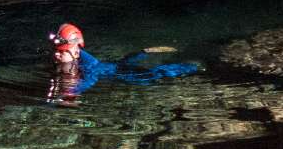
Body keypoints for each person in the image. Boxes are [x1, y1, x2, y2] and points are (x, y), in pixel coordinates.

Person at [46, 23, 198, 105]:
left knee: (154, 76)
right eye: (56, 50)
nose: (56, 54)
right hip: (111, 65)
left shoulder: (89, 67)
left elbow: (89, 81)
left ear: (76, 53)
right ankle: (142, 53)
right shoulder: (75, 55)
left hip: (117, 73)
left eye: (62, 52)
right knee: (121, 62)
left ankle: (193, 66)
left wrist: (71, 91)